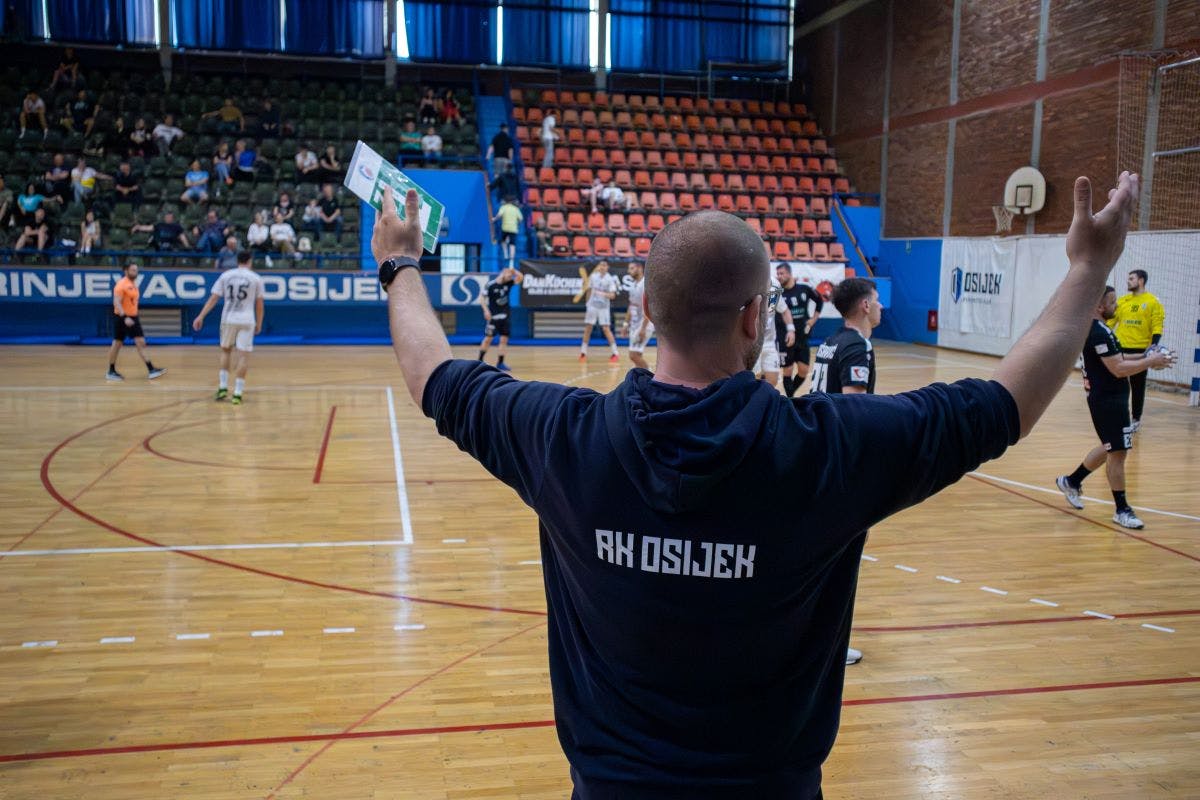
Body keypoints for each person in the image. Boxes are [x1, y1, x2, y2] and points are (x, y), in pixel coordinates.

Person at [370, 170, 1141, 798]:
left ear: (644, 308)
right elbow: (1007, 403)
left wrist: (401, 265)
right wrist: (1087, 269)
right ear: (754, 319)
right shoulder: (828, 450)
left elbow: (434, 375)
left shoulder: (559, 437)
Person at [808, 277, 884, 666]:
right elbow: (855, 408)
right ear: (865, 306)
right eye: (877, 300)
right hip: (838, 460)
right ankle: (830, 645)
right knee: (842, 556)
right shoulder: (857, 344)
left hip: (817, 451)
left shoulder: (831, 340)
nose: (881, 306)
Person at [1056, 285, 1175, 529]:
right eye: (1112, 303)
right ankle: (1122, 510)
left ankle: (1071, 481)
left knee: (1110, 447)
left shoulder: (1101, 329)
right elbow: (1118, 369)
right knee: (1118, 453)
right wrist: (1150, 361)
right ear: (1099, 306)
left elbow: (1119, 358)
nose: (1116, 306)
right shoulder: (1098, 332)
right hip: (1107, 401)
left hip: (1110, 399)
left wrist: (1148, 357)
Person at [191, 250, 263, 405]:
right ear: (250, 261)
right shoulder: (256, 278)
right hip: (247, 319)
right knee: (243, 356)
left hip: (229, 318)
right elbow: (259, 304)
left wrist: (201, 316)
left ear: (238, 260)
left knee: (226, 351)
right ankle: (237, 393)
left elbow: (214, 298)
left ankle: (223, 387)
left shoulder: (226, 275)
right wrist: (259, 323)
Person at [1107, 269, 1166, 432]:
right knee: (1117, 384)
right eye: (1128, 278)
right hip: (1120, 348)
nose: (1128, 281)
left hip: (1140, 350)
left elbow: (1157, 326)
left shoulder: (1153, 302)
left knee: (1137, 386)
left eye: (1131, 279)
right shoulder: (1123, 301)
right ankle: (1119, 416)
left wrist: (1153, 347)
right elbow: (1110, 323)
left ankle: (1135, 419)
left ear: (1141, 281)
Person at [106, 261, 166, 382]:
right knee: (119, 343)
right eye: (133, 270)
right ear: (126, 271)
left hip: (133, 317)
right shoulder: (121, 285)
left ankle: (151, 369)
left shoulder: (132, 284)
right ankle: (112, 370)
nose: (135, 272)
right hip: (124, 318)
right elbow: (116, 302)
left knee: (138, 342)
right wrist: (124, 317)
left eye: (136, 270)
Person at [775, 263, 824, 396]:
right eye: (777, 274)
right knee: (788, 371)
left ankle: (790, 396)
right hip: (784, 336)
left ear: (790, 274)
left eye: (782, 273)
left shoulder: (804, 289)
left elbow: (820, 301)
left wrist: (814, 319)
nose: (779, 276)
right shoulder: (777, 293)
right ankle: (790, 400)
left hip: (802, 336)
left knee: (804, 370)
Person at [478, 266, 524, 371]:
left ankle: (500, 362)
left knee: (503, 340)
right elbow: (482, 298)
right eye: (509, 275)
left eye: (511, 276)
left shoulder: (508, 283)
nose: (510, 277)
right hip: (493, 318)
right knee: (488, 339)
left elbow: (521, 277)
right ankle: (479, 361)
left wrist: (514, 271)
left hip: (505, 317)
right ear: (503, 273)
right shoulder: (490, 285)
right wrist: (486, 310)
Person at [751, 276, 793, 391]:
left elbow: (784, 310)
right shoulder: (748, 281)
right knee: (755, 378)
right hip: (752, 342)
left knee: (773, 380)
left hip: (769, 342)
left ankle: (763, 403)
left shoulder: (774, 284)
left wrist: (791, 330)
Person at [578, 259, 620, 363]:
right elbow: (589, 290)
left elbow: (613, 295)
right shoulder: (593, 277)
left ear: (607, 267)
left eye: (604, 265)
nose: (602, 267)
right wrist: (587, 303)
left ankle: (615, 353)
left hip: (603, 307)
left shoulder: (610, 279)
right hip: (592, 306)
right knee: (588, 328)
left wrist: (603, 294)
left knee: (606, 329)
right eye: (600, 265)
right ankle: (583, 352)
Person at [621, 261, 657, 370]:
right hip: (634, 325)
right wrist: (625, 324)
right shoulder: (633, 285)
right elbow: (631, 306)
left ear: (639, 268)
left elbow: (649, 307)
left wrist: (643, 329)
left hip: (644, 325)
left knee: (633, 355)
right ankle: (642, 382)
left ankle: (650, 378)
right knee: (638, 356)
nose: (629, 271)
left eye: (631, 268)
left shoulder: (645, 284)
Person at [492, 195, 522, 269]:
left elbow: (499, 215)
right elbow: (521, 219)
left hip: (505, 228)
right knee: (512, 245)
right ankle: (511, 262)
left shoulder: (503, 207)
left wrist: (494, 219)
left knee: (503, 241)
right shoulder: (516, 209)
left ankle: (505, 254)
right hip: (513, 229)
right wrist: (517, 223)